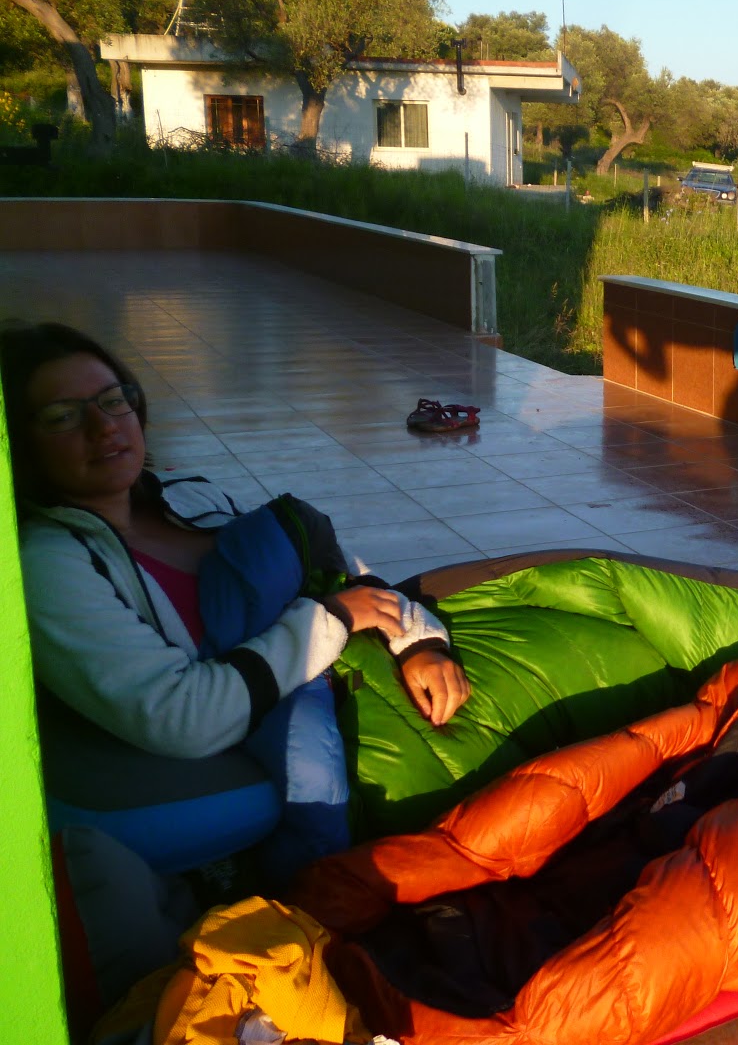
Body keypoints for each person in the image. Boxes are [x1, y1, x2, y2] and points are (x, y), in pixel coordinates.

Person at [1, 321, 471, 877]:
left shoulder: (183, 493)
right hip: (164, 773)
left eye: (113, 401)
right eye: (63, 416)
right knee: (319, 795)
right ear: (18, 441)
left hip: (270, 708)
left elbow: (314, 563)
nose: (104, 428)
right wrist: (333, 621)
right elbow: (181, 718)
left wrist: (418, 639)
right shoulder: (51, 560)